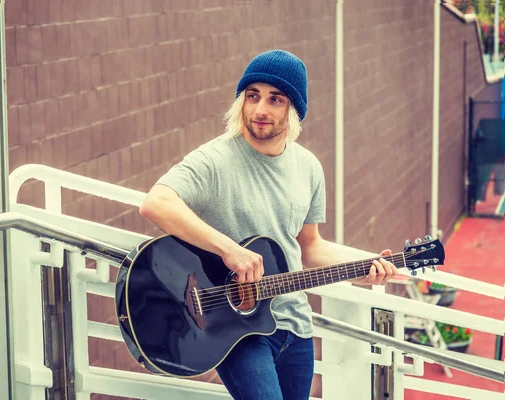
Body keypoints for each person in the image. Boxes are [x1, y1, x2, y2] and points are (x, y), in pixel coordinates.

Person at [139, 49, 399, 400]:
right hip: (236, 328)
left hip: (296, 327)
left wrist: (362, 267)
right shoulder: (215, 159)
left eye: (275, 99)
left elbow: (310, 247)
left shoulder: (308, 168)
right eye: (252, 96)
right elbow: (156, 203)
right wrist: (230, 251)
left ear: (294, 109)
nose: (260, 109)